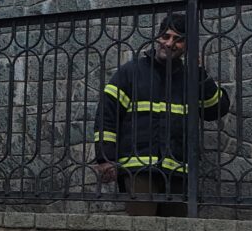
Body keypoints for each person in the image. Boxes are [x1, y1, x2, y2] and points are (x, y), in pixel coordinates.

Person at [93, 12, 230, 217]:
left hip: (178, 170)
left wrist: (200, 73)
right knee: (142, 229)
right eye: (166, 36)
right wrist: (105, 158)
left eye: (178, 39)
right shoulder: (130, 72)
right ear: (157, 38)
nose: (169, 43)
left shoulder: (191, 78)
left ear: (186, 47)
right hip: (138, 168)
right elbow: (107, 116)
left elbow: (215, 109)